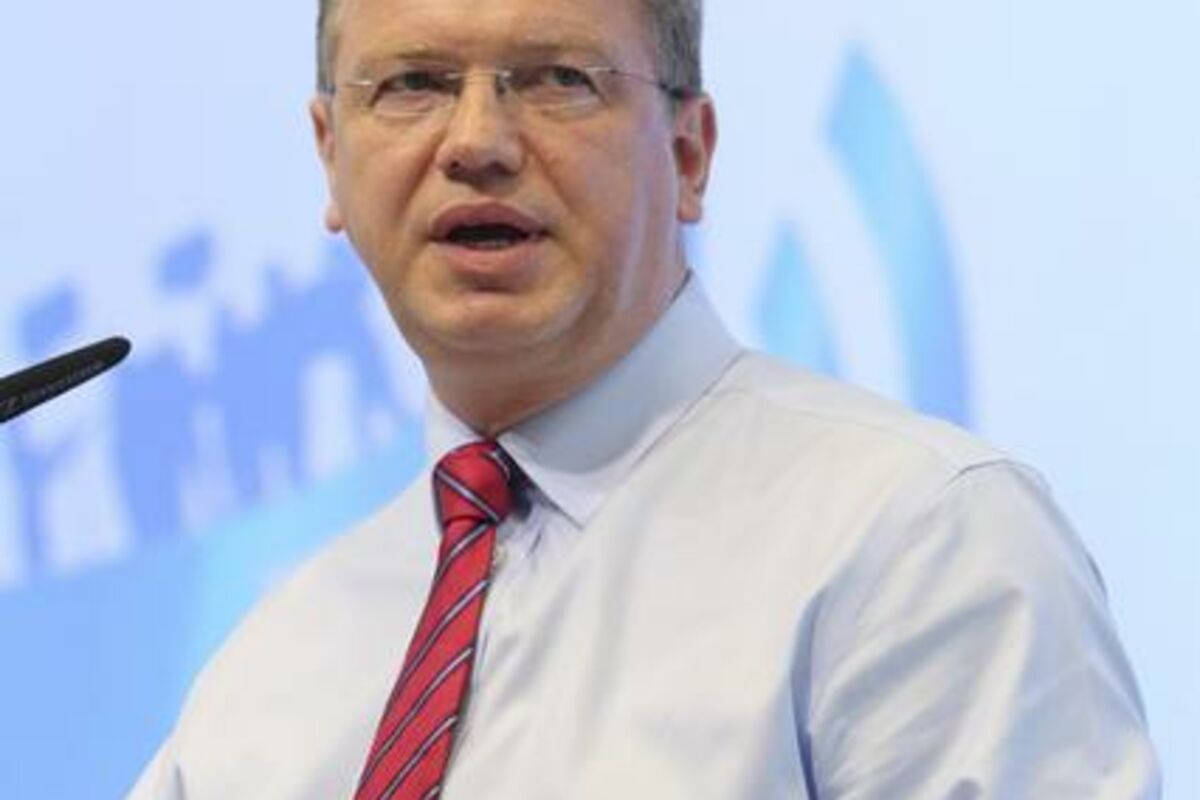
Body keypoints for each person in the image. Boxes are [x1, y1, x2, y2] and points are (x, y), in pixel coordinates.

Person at [129, 0, 1161, 797]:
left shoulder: (916, 537)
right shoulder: (267, 670)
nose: (476, 140)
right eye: (412, 84)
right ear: (330, 153)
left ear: (689, 152)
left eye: (557, 79)